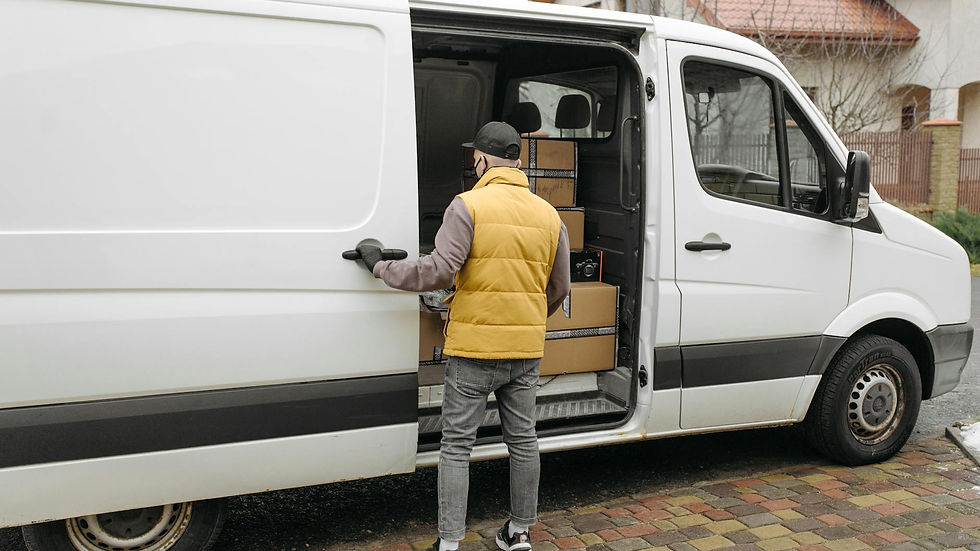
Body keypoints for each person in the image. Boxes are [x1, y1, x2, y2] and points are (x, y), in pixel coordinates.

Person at [356, 121, 570, 551]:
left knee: (456, 446)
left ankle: (450, 542)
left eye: (475, 157)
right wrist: (528, 317)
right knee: (524, 441)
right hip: (526, 351)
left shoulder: (468, 205)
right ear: (518, 161)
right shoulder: (549, 214)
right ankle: (519, 533)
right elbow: (561, 288)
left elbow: (438, 270)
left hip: (474, 350)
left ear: (482, 160)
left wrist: (380, 266)